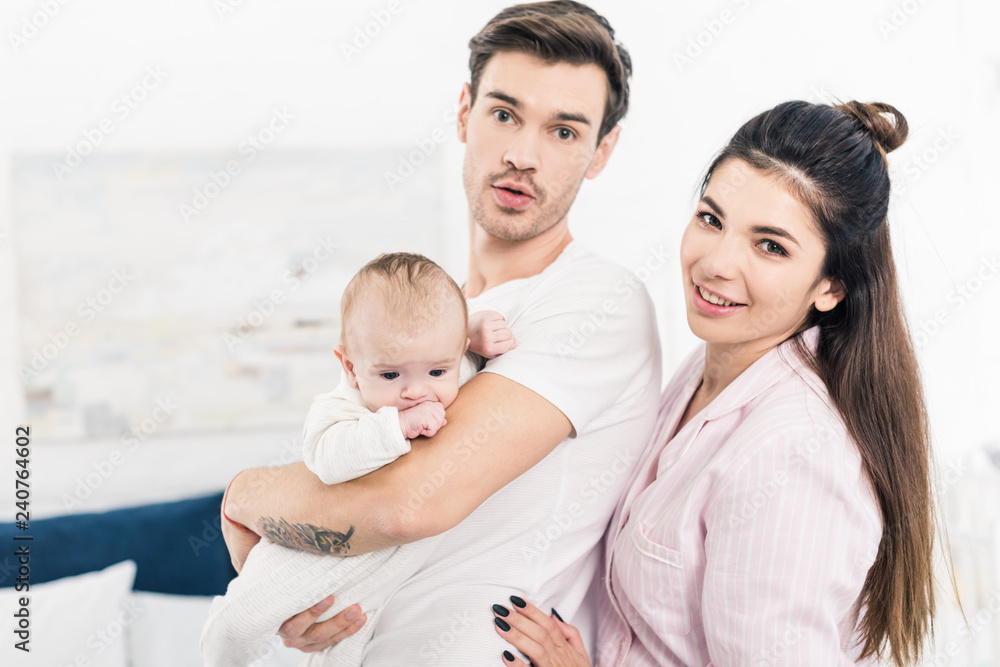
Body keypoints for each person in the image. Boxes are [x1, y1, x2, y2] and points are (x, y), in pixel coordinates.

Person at [221, 2, 663, 664]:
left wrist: (241, 495)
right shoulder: (426, 320)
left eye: (564, 132)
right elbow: (345, 482)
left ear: (602, 152)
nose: (522, 155)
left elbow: (404, 503)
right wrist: (295, 597)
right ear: (464, 112)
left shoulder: (597, 301)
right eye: (505, 114)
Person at [491, 100, 938, 666]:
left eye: (770, 246)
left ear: (831, 287)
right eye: (711, 219)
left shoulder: (793, 455)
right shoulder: (710, 371)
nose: (717, 263)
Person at [201, 252, 515, 665]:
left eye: (438, 372)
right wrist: (394, 427)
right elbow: (326, 460)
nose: (417, 391)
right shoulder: (339, 407)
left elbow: (449, 336)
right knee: (236, 624)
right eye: (390, 376)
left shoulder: (447, 362)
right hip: (309, 557)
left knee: (345, 649)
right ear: (350, 366)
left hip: (384, 573)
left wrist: (475, 330)